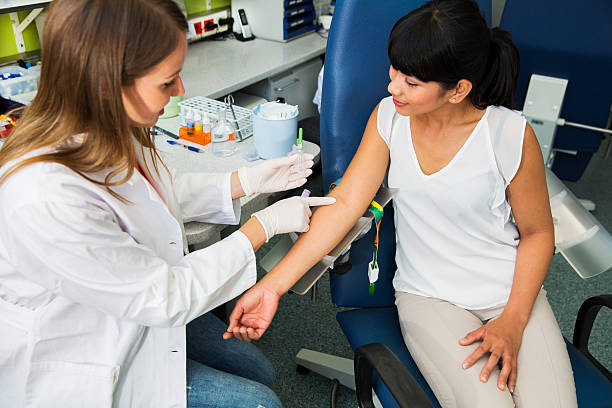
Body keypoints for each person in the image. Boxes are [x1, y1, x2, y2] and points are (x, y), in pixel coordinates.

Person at [225, 0, 579, 407]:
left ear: (458, 90)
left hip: (511, 294)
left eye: (411, 82)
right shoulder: (389, 120)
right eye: (395, 70)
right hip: (431, 298)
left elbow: (538, 233)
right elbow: (342, 208)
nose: (394, 87)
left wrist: (514, 321)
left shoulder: (511, 135)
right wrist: (271, 287)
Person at [0, 0, 335, 407]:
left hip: (133, 307)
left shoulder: (108, 126)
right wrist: (259, 227)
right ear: (107, 84)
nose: (180, 91)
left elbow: (145, 195)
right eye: (167, 81)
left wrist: (242, 181)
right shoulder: (42, 196)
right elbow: (164, 296)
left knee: (258, 369)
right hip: (86, 347)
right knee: (259, 401)